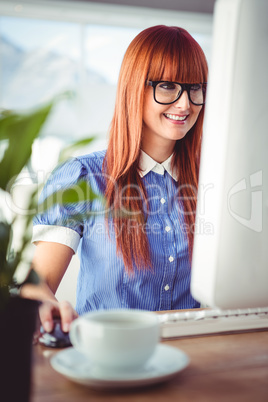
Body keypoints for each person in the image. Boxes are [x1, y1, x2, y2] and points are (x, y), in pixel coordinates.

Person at [22, 25, 208, 333]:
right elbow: (36, 286)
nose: (185, 104)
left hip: (193, 357)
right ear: (135, 88)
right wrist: (43, 302)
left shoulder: (211, 179)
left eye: (195, 88)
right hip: (106, 355)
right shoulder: (82, 177)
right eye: (167, 86)